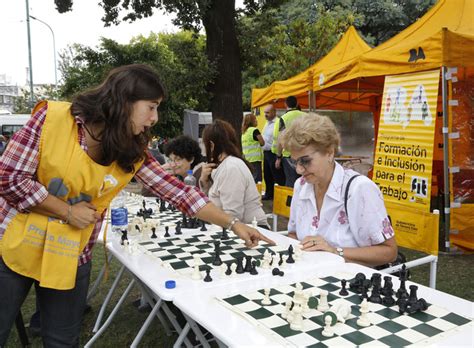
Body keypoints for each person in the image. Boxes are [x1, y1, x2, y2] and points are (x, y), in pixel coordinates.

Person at [0, 64, 274, 347]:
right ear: (123, 100)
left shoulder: (132, 149)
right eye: (151, 107)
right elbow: (8, 177)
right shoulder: (53, 118)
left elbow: (180, 193)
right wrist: (67, 211)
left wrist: (233, 224)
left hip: (71, 252)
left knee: (62, 341)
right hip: (12, 243)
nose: (154, 118)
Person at [281, 113, 398, 267]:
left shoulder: (359, 189)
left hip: (351, 282)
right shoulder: (301, 185)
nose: (298, 169)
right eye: (294, 162)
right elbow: (294, 234)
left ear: (329, 152)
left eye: (305, 161)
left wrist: (335, 251)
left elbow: (389, 252)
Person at [199, 120, 269, 228]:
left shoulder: (231, 168)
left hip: (252, 231)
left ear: (211, 145)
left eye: (204, 145)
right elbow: (214, 203)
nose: (204, 150)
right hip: (239, 228)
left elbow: (233, 215)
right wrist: (205, 182)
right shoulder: (224, 165)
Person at [275, 96, 306, 187]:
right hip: (304, 154)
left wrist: (278, 157)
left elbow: (281, 138)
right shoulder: (306, 116)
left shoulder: (283, 118)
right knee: (304, 182)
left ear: (285, 104)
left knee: (291, 183)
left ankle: (291, 201)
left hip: (289, 155)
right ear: (297, 104)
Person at [262, 105, 285, 200]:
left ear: (274, 112)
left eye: (267, 112)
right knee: (267, 175)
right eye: (265, 113)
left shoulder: (278, 122)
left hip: (274, 153)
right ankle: (269, 194)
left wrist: (278, 156)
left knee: (277, 176)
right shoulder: (267, 123)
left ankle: (280, 196)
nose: (265, 115)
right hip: (266, 153)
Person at [241, 113, 264, 183]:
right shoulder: (254, 130)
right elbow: (262, 142)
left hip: (247, 159)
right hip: (255, 159)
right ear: (252, 121)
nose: (256, 121)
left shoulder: (244, 132)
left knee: (251, 179)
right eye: (255, 119)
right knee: (257, 179)